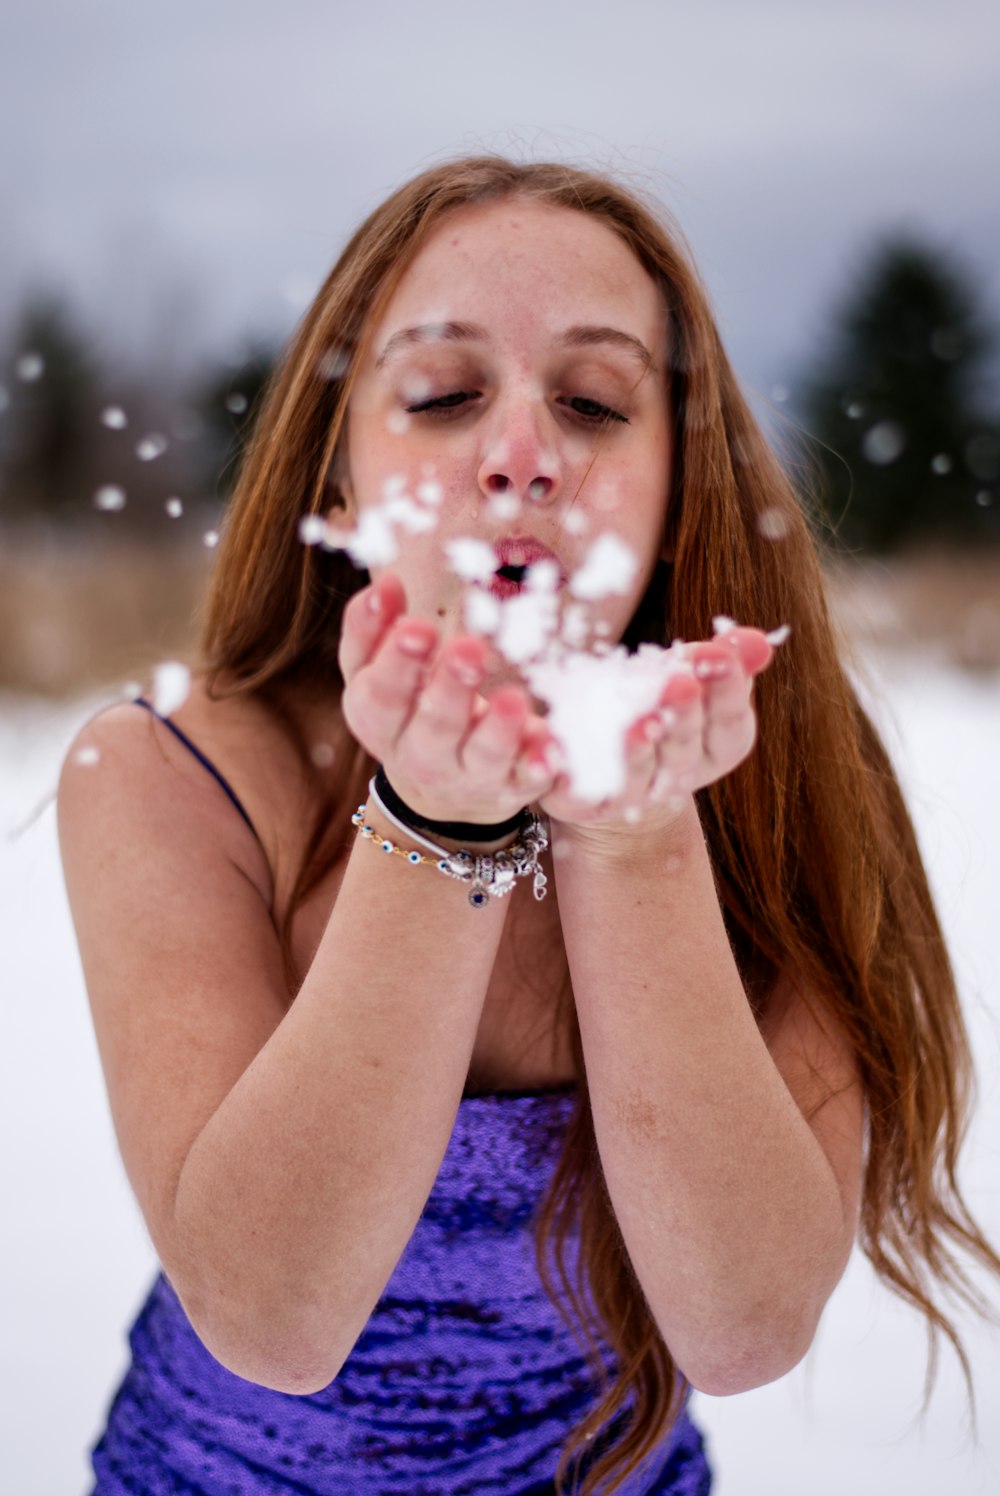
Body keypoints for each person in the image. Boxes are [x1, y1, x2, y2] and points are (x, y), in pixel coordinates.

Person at [57, 156, 999, 1496]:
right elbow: (272, 1313)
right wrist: (434, 822)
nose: (522, 456)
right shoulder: (167, 773)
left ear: (680, 494)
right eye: (443, 395)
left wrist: (636, 836)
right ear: (335, 483)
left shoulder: (785, 771)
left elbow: (743, 1326)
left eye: (596, 402)